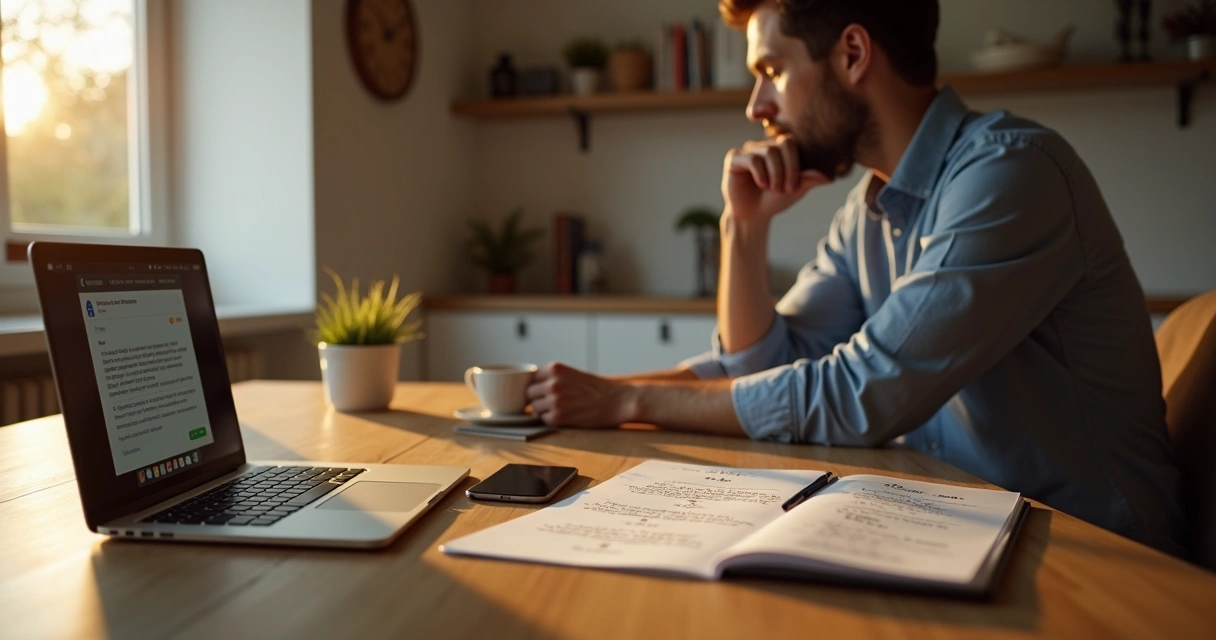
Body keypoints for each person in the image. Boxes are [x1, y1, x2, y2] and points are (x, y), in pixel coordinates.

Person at [525, 0, 1186, 555]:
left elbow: (861, 392)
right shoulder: (868, 210)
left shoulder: (1012, 174)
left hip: (1094, 555)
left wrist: (629, 401)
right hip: (957, 532)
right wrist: (744, 227)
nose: (758, 104)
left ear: (852, 53)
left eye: (772, 70)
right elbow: (766, 364)